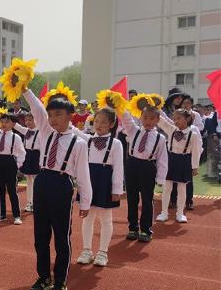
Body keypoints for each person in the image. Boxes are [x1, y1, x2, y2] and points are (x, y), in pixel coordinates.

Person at [22, 86, 92, 290]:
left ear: (71, 116)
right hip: (43, 182)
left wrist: (86, 201)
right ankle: (43, 277)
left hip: (62, 185)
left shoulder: (79, 142)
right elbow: (36, 109)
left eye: (58, 115)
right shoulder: (46, 132)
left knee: (62, 238)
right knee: (40, 237)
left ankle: (60, 281)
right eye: (50, 115)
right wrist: (25, 90)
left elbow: (83, 174)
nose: (52, 119)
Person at [72, 108, 123, 267]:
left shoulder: (115, 143)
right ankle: (86, 250)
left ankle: (103, 252)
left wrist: (116, 190)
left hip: (105, 181)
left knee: (106, 219)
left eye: (103, 122)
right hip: (88, 181)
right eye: (97, 121)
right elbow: (73, 130)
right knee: (87, 217)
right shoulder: (86, 140)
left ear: (111, 124)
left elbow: (119, 167)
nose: (99, 125)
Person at [120, 106, 168, 242]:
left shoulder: (160, 138)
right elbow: (126, 119)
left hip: (148, 167)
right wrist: (120, 105)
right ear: (140, 117)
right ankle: (133, 228)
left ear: (158, 120)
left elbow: (162, 159)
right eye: (145, 117)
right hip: (132, 165)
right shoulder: (133, 130)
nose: (148, 121)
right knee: (132, 198)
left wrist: (161, 178)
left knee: (147, 200)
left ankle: (146, 230)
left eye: (152, 118)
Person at [156, 109, 201, 223]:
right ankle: (164, 213)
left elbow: (196, 151)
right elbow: (161, 121)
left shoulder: (193, 134)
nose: (176, 121)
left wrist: (195, 167)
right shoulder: (171, 129)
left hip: (184, 160)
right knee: (167, 188)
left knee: (182, 188)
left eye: (179, 118)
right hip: (170, 159)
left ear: (187, 119)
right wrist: (155, 108)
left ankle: (180, 213)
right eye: (174, 119)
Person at [0, 111, 25, 224]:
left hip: (10, 162)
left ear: (13, 124)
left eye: (7, 122)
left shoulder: (16, 137)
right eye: (2, 121)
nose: (3, 124)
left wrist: (17, 165)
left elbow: (22, 152)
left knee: (12, 190)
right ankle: (2, 214)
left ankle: (17, 215)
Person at [14, 111, 40, 213]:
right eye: (26, 120)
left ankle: (37, 202)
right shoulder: (26, 131)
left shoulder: (41, 131)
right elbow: (16, 126)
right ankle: (30, 203)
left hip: (37, 156)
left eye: (30, 120)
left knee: (37, 181)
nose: (28, 122)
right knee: (29, 180)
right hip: (28, 155)